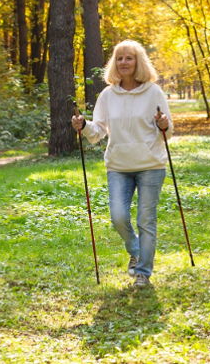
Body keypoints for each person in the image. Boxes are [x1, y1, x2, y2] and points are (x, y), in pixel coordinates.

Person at [71, 40, 172, 288]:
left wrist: (163, 125)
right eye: (119, 58)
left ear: (138, 62)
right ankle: (136, 250)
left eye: (129, 58)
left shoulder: (153, 92)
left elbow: (167, 133)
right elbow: (98, 131)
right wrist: (83, 126)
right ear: (114, 63)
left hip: (150, 164)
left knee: (146, 220)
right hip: (118, 165)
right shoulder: (108, 95)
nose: (124, 62)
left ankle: (142, 272)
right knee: (118, 216)